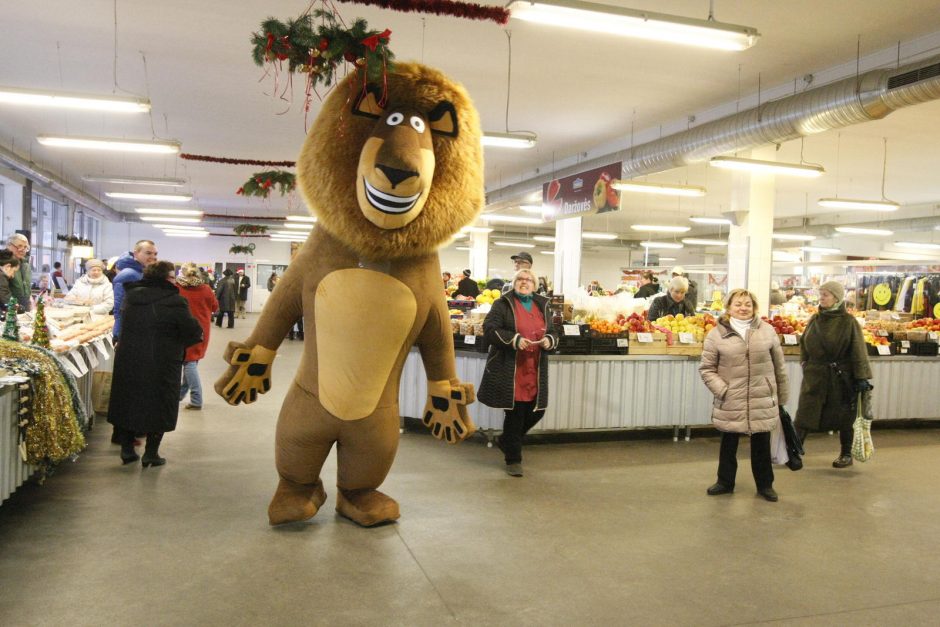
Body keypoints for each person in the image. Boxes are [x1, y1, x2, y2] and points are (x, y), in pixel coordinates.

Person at [107, 261, 203, 466]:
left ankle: (127, 450)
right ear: (164, 278)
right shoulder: (175, 301)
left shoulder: (131, 297)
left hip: (129, 359)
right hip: (163, 361)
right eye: (171, 276)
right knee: (159, 404)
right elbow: (192, 332)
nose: (174, 279)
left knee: (128, 401)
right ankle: (151, 454)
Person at [699, 289, 789, 502]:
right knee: (728, 442)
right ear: (729, 307)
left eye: (747, 304)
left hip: (761, 397)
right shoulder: (716, 334)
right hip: (731, 398)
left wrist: (781, 398)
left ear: (754, 307)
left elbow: (779, 367)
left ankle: (765, 485)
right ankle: (725, 482)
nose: (743, 308)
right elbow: (706, 369)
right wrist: (723, 390)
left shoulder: (767, 331)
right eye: (738, 304)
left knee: (761, 443)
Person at [479, 268, 559, 477]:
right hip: (512, 367)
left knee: (537, 410)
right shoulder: (502, 303)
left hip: (535, 366)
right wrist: (514, 339)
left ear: (535, 284)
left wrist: (549, 340)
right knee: (515, 413)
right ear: (514, 283)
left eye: (528, 280)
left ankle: (506, 440)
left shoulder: (542, 305)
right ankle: (513, 459)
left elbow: (552, 331)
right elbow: (489, 328)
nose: (524, 282)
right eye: (520, 279)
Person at [795, 281, 872, 468]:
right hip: (815, 375)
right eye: (820, 294)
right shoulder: (815, 319)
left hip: (840, 377)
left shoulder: (848, 322)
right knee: (805, 413)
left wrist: (861, 377)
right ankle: (794, 450)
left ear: (837, 298)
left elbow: (858, 350)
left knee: (845, 416)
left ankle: (846, 454)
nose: (821, 298)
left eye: (826, 295)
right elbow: (804, 343)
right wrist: (805, 363)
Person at [176, 262, 219, 411]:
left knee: (189, 362)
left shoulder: (177, 288)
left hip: (184, 329)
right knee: (192, 361)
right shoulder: (206, 289)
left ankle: (196, 399)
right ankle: (180, 395)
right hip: (202, 330)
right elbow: (215, 307)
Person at [112, 239, 158, 339]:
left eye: (155, 254)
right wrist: (118, 335)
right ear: (136, 254)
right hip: (130, 331)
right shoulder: (129, 274)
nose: (153, 257)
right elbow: (119, 307)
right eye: (148, 253)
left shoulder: (141, 272)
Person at [5, 233, 32, 311]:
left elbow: (27, 290)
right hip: (9, 311)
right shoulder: (3, 264)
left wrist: (31, 301)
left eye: (25, 247)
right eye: (19, 246)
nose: (23, 249)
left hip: (25, 310)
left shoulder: (26, 266)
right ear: (8, 246)